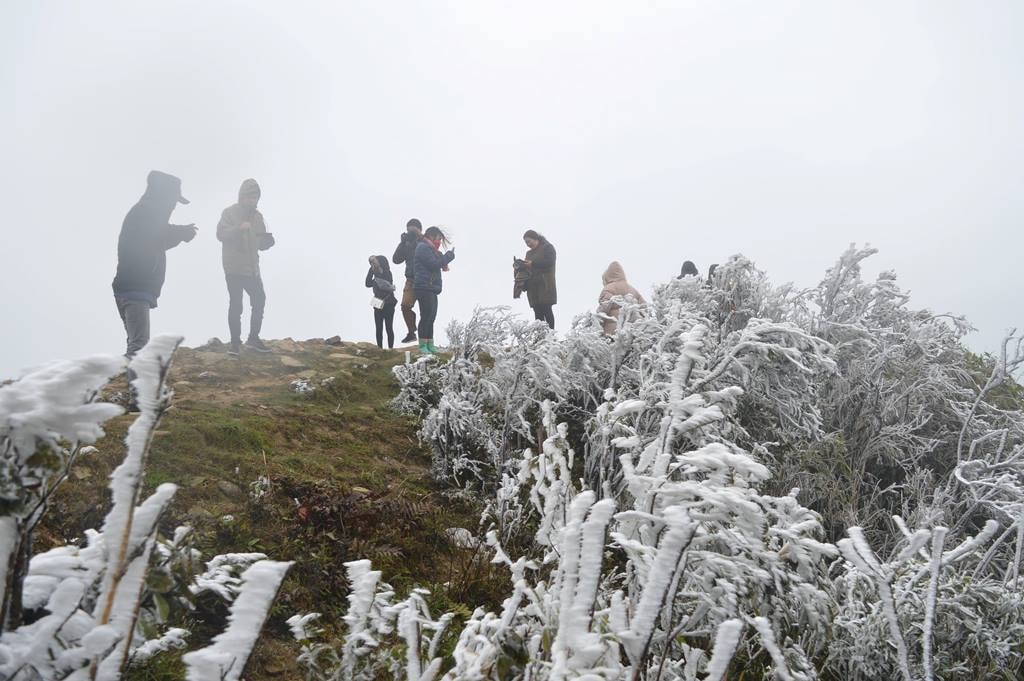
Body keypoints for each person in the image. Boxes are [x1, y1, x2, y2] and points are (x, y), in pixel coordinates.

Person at [112, 170, 197, 359]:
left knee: (136, 344)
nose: (175, 205)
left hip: (130, 288)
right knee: (139, 349)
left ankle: (129, 384)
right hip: (134, 288)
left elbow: (153, 241)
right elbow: (156, 235)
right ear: (164, 195)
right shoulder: (146, 211)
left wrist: (180, 234)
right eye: (174, 199)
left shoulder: (146, 211)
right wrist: (181, 233)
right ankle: (133, 387)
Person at [216, 179, 275, 355]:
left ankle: (253, 339)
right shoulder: (229, 213)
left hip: (252, 268)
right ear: (241, 196)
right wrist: (238, 228)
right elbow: (220, 234)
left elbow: (260, 243)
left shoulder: (258, 217)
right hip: (233, 267)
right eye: (249, 196)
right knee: (236, 304)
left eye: (255, 197)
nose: (252, 200)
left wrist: (267, 242)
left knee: (259, 299)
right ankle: (235, 343)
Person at [413, 226, 455, 355]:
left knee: (431, 317)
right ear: (431, 236)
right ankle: (422, 345)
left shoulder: (430, 249)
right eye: (438, 239)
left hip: (431, 288)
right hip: (424, 287)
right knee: (425, 316)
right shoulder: (423, 247)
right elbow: (433, 265)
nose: (439, 242)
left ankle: (430, 344)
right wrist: (448, 257)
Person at [392, 218, 424, 344]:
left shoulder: (424, 240)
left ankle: (425, 341)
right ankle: (411, 332)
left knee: (425, 311)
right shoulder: (406, 244)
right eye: (408, 230)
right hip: (410, 279)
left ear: (419, 229)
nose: (410, 232)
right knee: (405, 306)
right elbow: (396, 259)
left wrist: (417, 239)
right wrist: (402, 243)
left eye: (413, 230)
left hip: (423, 279)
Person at [598, 261, 646, 336]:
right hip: (632, 331)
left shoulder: (608, 288)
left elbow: (603, 308)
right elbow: (644, 307)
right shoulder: (633, 290)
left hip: (611, 332)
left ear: (607, 278)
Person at [522, 229, 557, 329]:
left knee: (547, 309)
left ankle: (551, 336)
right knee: (537, 313)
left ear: (535, 238)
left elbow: (549, 262)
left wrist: (533, 264)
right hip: (532, 287)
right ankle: (540, 337)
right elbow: (527, 269)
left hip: (545, 284)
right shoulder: (529, 253)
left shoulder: (547, 247)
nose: (528, 244)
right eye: (526, 242)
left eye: (529, 241)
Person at [365, 255, 398, 349]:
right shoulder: (375, 276)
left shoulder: (387, 273)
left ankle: (390, 348)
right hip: (377, 302)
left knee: (389, 327)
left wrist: (377, 268)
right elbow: (367, 283)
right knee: (379, 328)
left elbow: (386, 282)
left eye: (375, 262)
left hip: (388, 302)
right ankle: (380, 348)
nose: (373, 264)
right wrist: (371, 270)